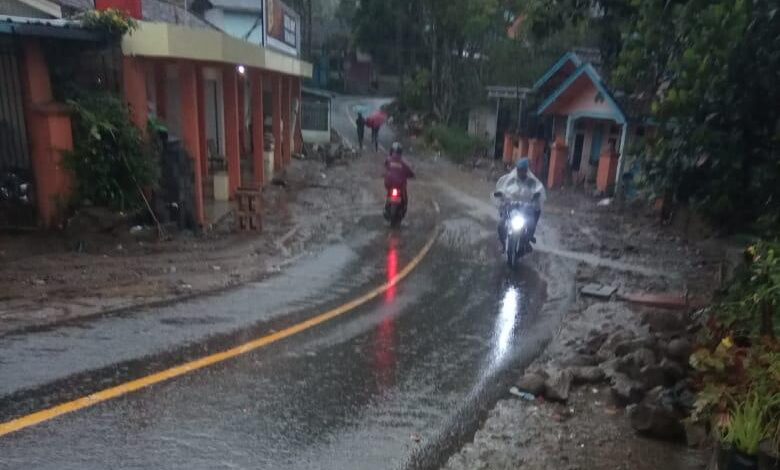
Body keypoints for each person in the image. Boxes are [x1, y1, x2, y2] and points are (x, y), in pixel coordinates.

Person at [494, 158, 546, 245]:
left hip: (525, 208)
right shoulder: (511, 179)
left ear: (526, 170)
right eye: (519, 170)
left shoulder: (532, 181)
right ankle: (502, 243)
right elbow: (504, 188)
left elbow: (538, 189)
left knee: (531, 222)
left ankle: (528, 238)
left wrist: (536, 195)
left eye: (523, 170)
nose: (520, 172)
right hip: (511, 207)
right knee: (501, 225)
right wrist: (500, 193)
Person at [385, 142, 415, 213]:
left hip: (389, 183)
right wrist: (412, 175)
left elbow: (385, 167)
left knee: (389, 192)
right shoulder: (403, 162)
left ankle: (387, 204)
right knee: (404, 196)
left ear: (391, 151)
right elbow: (409, 171)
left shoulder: (388, 159)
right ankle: (404, 207)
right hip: (399, 184)